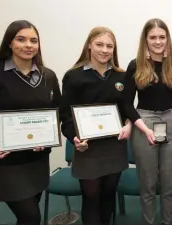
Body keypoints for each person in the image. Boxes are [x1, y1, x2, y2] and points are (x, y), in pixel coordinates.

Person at [0, 20, 61, 225]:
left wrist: (48, 136)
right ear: (9, 43)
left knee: (29, 214)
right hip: (7, 161)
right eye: (21, 39)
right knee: (31, 216)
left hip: (37, 159)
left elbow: (56, 111)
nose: (28, 45)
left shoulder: (48, 76)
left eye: (34, 40)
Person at [59, 26, 133, 225]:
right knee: (91, 196)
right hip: (87, 147)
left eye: (110, 46)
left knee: (108, 194)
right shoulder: (73, 76)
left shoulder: (121, 76)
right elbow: (65, 115)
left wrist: (128, 124)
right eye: (99, 44)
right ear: (89, 45)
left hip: (113, 146)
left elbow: (127, 110)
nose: (105, 50)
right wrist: (74, 137)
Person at [123, 18, 172, 225]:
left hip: (171, 122)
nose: (158, 41)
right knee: (148, 185)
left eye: (162, 37)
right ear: (145, 40)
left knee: (169, 184)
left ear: (168, 39)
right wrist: (140, 126)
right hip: (144, 121)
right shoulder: (135, 65)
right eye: (153, 37)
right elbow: (126, 104)